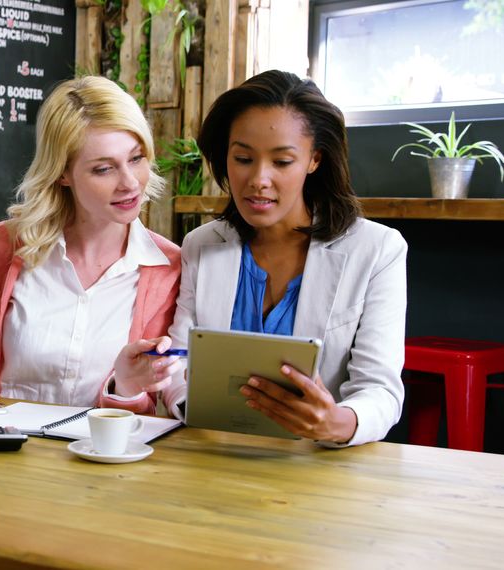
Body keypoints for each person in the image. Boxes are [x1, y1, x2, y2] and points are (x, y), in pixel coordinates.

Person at [0, 76, 184, 417]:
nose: (130, 183)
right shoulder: (4, 246)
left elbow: (147, 403)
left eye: (136, 158)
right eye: (104, 169)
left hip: (102, 461)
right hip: (6, 452)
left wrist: (124, 388)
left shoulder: (168, 267)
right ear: (62, 174)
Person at [167, 70, 407, 446]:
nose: (259, 179)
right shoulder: (201, 245)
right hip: (212, 452)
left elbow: (380, 390)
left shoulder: (377, 250)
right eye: (243, 158)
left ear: (314, 160)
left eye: (281, 162)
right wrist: (186, 405)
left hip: (319, 462)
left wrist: (338, 423)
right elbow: (178, 364)